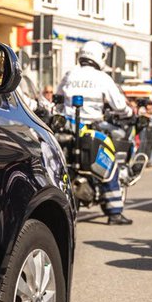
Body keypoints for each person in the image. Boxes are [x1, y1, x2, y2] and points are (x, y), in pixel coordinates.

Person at [57, 41, 134, 225]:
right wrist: (129, 113)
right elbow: (120, 106)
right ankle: (114, 213)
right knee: (108, 165)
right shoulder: (102, 78)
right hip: (91, 130)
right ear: (100, 57)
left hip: (68, 128)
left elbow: (58, 99)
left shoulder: (69, 74)